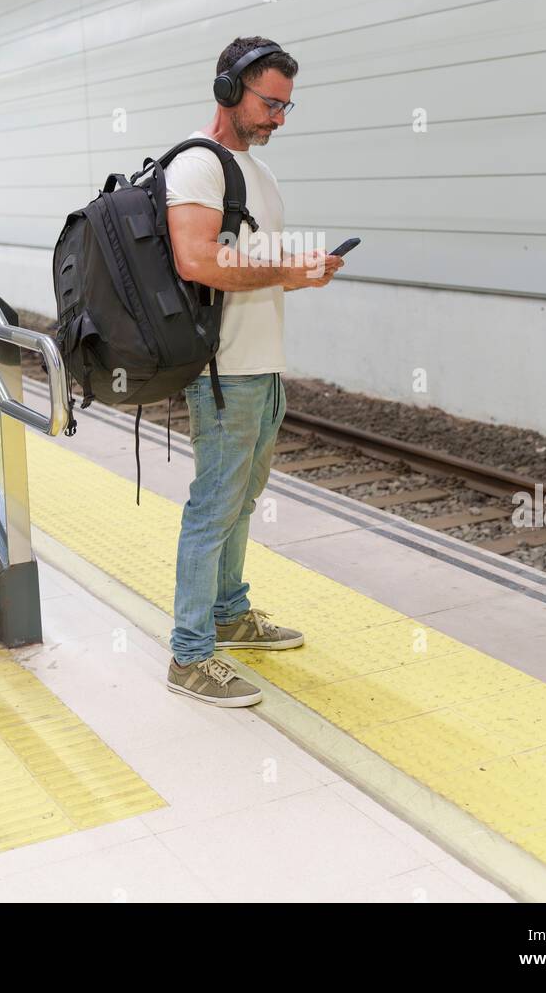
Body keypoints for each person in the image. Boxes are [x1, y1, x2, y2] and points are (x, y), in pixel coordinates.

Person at [164, 36, 345, 706]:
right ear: (228, 90)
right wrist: (286, 271)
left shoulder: (257, 173)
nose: (279, 118)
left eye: (287, 106)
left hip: (261, 365)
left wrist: (301, 274)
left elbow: (251, 268)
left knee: (241, 502)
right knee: (213, 507)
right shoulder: (197, 166)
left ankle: (228, 613)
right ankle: (189, 655)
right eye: (271, 102)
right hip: (222, 371)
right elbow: (197, 262)